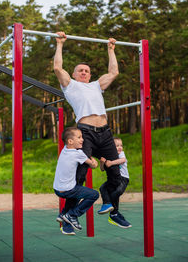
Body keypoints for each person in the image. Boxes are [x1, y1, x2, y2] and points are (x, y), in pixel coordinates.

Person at [54, 31, 129, 228]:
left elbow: (113, 73)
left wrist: (111, 50)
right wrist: (60, 44)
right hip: (85, 133)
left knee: (116, 175)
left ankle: (113, 210)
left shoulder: (97, 86)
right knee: (79, 174)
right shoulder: (70, 86)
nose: (84, 73)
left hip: (105, 133)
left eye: (87, 71)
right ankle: (68, 215)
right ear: (74, 74)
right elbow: (57, 67)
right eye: (80, 70)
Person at [53, 127, 99, 235]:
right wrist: (93, 160)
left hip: (57, 189)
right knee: (94, 195)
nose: (82, 139)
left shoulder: (64, 150)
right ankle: (72, 214)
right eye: (79, 137)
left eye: (82, 137)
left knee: (75, 196)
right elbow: (93, 165)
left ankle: (63, 214)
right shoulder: (78, 154)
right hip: (69, 189)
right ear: (70, 141)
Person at [98, 137, 132, 228]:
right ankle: (108, 206)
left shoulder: (121, 154)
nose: (120, 147)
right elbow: (102, 169)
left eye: (121, 145)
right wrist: (102, 162)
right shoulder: (108, 156)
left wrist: (112, 163)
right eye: (117, 146)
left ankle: (112, 209)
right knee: (102, 188)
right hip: (113, 179)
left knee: (117, 192)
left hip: (123, 178)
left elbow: (123, 160)